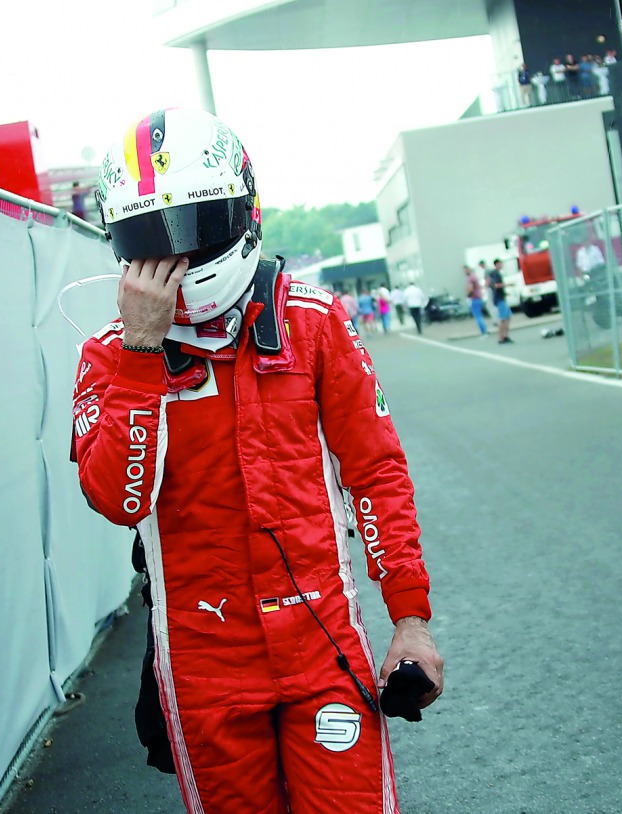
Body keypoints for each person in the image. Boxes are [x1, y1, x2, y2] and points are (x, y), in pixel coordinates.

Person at [74, 107, 444, 814]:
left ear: (246, 210)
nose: (174, 258)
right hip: (202, 664)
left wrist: (410, 620)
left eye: (193, 228)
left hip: (321, 647)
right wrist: (142, 357)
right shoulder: (108, 353)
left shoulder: (314, 319)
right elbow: (119, 500)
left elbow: (376, 473)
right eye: (151, 237)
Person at [488, 258, 513, 343]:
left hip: (501, 297)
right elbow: (496, 285)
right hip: (499, 299)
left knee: (508, 316)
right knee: (502, 318)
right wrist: (508, 285)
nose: (502, 265)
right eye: (501, 263)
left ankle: (505, 335)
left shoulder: (496, 273)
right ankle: (501, 337)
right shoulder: (495, 273)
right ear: (497, 264)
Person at [464, 265, 488, 336]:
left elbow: (470, 289)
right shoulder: (474, 277)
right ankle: (484, 330)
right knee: (479, 315)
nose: (465, 272)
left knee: (477, 316)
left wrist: (467, 295)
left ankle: (484, 330)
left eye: (465, 270)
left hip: (474, 298)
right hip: (478, 297)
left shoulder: (470, 278)